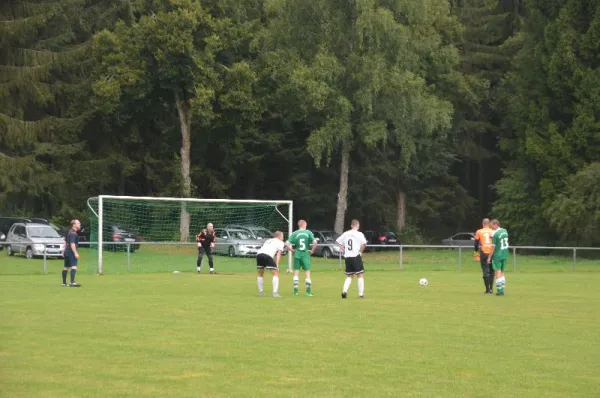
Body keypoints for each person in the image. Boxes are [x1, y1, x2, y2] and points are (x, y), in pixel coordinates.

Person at [336, 219, 367, 299]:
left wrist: (341, 247)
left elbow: (337, 241)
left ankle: (344, 291)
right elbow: (364, 244)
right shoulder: (359, 234)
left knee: (349, 275)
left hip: (347, 257)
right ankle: (361, 294)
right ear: (358, 226)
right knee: (360, 274)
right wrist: (360, 252)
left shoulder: (346, 233)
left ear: (351, 225)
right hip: (355, 256)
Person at [285, 220, 318, 296]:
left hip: (297, 253)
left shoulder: (295, 233)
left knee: (296, 272)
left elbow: (286, 243)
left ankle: (296, 292)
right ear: (305, 224)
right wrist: (312, 250)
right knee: (307, 272)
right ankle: (308, 292)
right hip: (305, 253)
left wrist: (292, 250)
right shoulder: (308, 232)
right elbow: (315, 242)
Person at [256, 231, 285, 297]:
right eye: (282, 236)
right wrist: (277, 264)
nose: (283, 238)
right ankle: (275, 293)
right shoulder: (280, 242)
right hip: (267, 255)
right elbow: (278, 254)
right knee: (276, 273)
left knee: (260, 274)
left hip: (259, 255)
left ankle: (261, 292)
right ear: (279, 236)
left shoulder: (268, 240)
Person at [487, 219, 509, 296]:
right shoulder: (505, 231)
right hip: (505, 254)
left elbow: (493, 247)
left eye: (491, 225)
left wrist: (489, 257)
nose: (491, 227)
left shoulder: (495, 234)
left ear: (495, 224)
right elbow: (500, 238)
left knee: (498, 271)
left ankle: (499, 291)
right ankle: (502, 289)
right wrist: (493, 237)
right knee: (502, 272)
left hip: (498, 255)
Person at [475, 218, 495, 294]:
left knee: (485, 270)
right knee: (492, 271)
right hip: (492, 252)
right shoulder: (493, 231)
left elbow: (476, 244)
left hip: (484, 252)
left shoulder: (479, 231)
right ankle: (491, 289)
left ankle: (487, 289)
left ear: (483, 224)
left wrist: (476, 253)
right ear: (489, 224)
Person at [62, 219, 81, 287]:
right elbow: (72, 244)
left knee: (66, 267)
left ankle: (64, 283)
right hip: (71, 251)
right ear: (74, 225)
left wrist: (64, 251)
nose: (79, 225)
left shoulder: (69, 232)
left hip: (67, 251)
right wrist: (75, 253)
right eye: (78, 223)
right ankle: (72, 282)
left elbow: (66, 242)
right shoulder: (73, 233)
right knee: (74, 266)